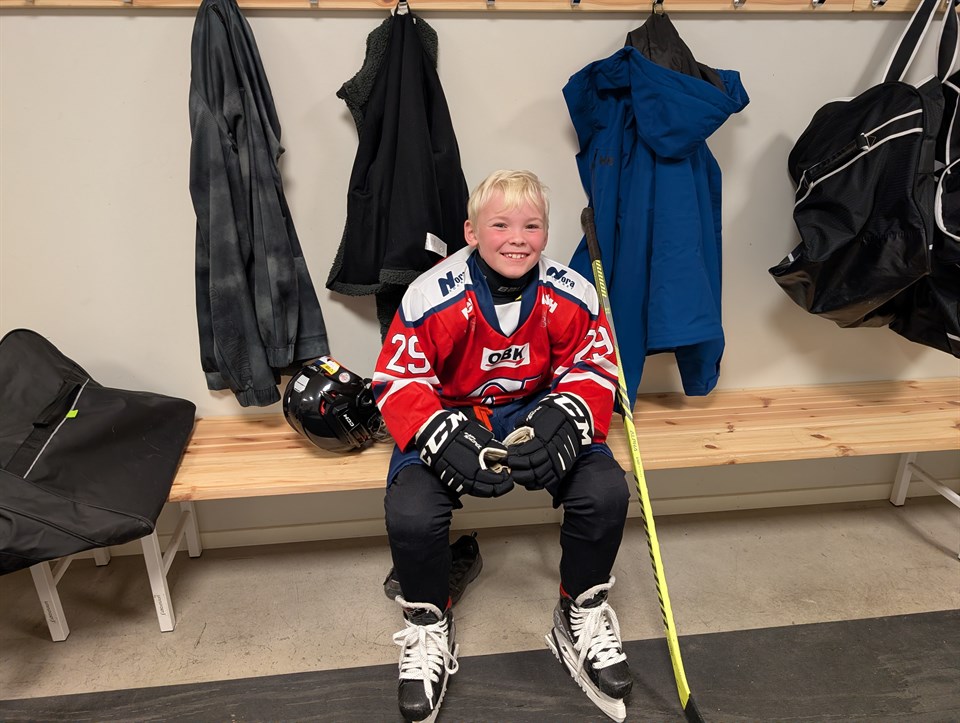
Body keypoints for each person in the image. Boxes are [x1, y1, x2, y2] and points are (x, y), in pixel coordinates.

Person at [372, 170, 633, 722]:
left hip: (538, 412)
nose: (518, 238)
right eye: (501, 225)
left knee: (605, 491)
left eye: (532, 226)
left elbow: (596, 365)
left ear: (546, 232)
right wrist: (438, 430)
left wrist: (568, 413)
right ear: (471, 232)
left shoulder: (571, 291)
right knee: (411, 512)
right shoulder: (432, 294)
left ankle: (579, 611)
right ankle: (427, 623)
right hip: (453, 415)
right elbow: (397, 379)